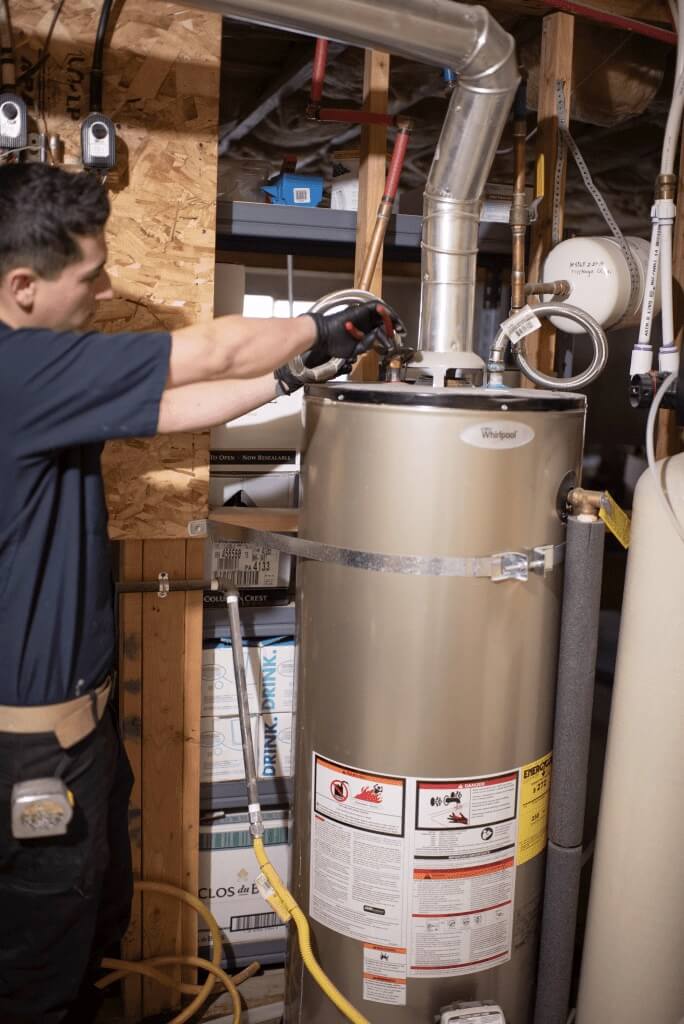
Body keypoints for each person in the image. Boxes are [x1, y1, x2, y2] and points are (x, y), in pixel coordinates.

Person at [0, 162, 405, 1024]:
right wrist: (317, 321)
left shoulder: (36, 384)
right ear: (22, 287)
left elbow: (175, 404)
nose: (108, 288)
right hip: (30, 757)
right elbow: (212, 350)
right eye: (90, 274)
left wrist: (295, 377)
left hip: (75, 736)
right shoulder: (15, 373)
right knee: (35, 972)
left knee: (85, 929)